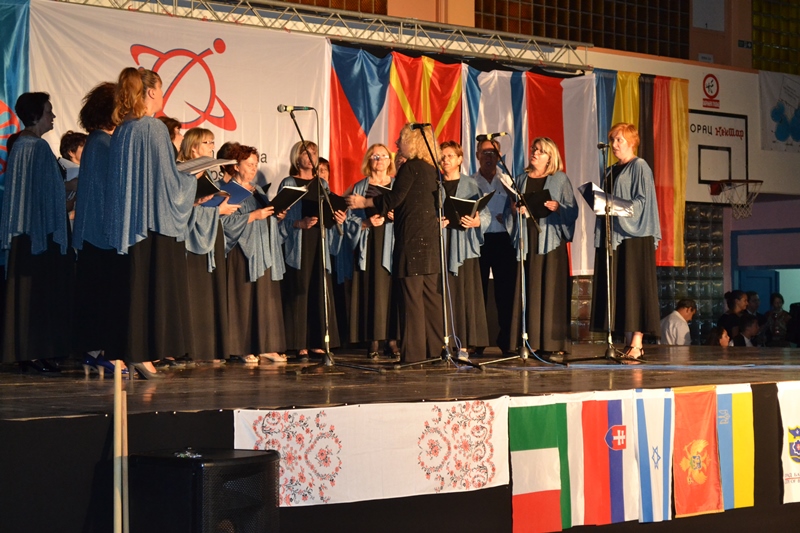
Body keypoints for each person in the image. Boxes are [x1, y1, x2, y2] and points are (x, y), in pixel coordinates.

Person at [105, 67, 197, 378]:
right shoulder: (154, 128)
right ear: (152, 92)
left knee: (133, 289)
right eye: (162, 89)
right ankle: (140, 354)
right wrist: (192, 179)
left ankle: (133, 353)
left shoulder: (123, 129)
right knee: (148, 291)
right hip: (152, 224)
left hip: (129, 223)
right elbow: (168, 183)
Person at [347, 124, 444, 363]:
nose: (397, 144)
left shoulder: (410, 167)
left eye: (401, 139)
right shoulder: (431, 169)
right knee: (430, 298)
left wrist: (364, 203)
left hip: (411, 240)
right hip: (429, 240)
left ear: (413, 142)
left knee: (412, 300)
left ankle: (413, 356)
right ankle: (434, 350)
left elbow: (395, 197)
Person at [0, 92, 73, 372]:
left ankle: (29, 351)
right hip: (41, 234)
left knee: (28, 293)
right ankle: (36, 351)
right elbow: (50, 195)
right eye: (48, 111)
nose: (53, 116)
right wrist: (74, 191)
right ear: (36, 115)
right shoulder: (37, 147)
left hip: (26, 232)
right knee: (39, 294)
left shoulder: (21, 144)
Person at [72, 82, 128, 376]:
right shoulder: (104, 144)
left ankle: (96, 352)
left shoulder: (97, 141)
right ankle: (101, 352)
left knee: (98, 294)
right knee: (104, 295)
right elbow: (112, 191)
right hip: (103, 234)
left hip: (95, 232)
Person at [590, 122, 661, 359]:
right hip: (615, 236)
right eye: (612, 140)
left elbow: (642, 201)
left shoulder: (640, 166)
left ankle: (637, 343)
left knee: (635, 287)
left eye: (619, 140)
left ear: (631, 142)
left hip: (634, 236)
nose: (614, 144)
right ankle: (626, 340)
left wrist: (615, 206)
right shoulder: (611, 170)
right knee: (622, 288)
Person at [508, 137, 577, 354]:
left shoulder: (560, 179)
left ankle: (553, 344)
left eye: (541, 151)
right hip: (527, 241)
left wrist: (558, 207)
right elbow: (509, 211)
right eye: (534, 149)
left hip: (551, 243)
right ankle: (530, 342)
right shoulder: (521, 179)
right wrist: (515, 211)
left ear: (550, 157)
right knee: (530, 289)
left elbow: (572, 211)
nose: (535, 153)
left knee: (551, 291)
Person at [278, 141, 346, 360]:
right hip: (299, 240)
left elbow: (330, 209)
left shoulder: (322, 183)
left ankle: (318, 341)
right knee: (300, 290)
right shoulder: (289, 182)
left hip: (319, 239)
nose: (310, 156)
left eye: (314, 153)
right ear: (297, 158)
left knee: (318, 287)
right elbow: (280, 216)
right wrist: (299, 223)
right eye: (306, 153)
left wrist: (338, 218)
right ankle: (299, 344)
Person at [178, 127, 240, 364]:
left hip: (212, 236)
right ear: (194, 147)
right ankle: (191, 349)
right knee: (193, 295)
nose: (212, 147)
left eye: (213, 142)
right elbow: (180, 208)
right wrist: (215, 210)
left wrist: (216, 205)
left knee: (211, 295)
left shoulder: (209, 175)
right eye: (208, 142)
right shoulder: (182, 172)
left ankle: (210, 348)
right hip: (190, 242)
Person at [222, 144, 287, 363]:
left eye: (255, 164)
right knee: (243, 299)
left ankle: (266, 346)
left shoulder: (258, 189)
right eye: (249, 164)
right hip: (242, 250)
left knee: (265, 299)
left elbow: (264, 216)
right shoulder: (228, 191)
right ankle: (243, 347)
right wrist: (253, 216)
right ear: (236, 166)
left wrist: (276, 215)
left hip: (264, 249)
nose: (253, 169)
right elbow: (224, 223)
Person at [341, 144, 399, 359]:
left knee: (393, 291)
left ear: (390, 160)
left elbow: (410, 212)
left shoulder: (397, 185)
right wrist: (365, 223)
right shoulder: (359, 187)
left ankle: (392, 340)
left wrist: (397, 216)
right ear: (368, 160)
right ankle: (373, 339)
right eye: (375, 156)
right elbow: (347, 220)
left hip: (393, 243)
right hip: (370, 244)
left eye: (384, 156)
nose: (380, 160)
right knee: (372, 290)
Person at [439, 140, 490, 355]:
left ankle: (465, 343)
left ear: (460, 159)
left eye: (450, 155)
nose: (445, 160)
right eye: (442, 156)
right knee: (443, 293)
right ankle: (444, 341)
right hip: (442, 244)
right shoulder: (435, 184)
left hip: (465, 246)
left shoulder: (470, 184)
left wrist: (477, 222)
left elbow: (484, 214)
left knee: (464, 293)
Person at [472, 137, 516, 353]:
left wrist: (509, 215)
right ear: (477, 155)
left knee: (505, 292)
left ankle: (507, 340)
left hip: (503, 240)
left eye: (493, 153)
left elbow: (517, 207)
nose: (489, 157)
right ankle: (477, 341)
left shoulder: (507, 180)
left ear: (499, 157)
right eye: (485, 153)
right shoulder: (471, 182)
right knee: (477, 291)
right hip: (479, 241)